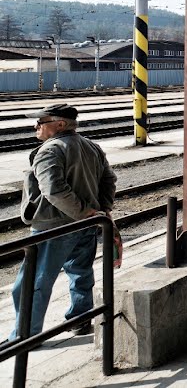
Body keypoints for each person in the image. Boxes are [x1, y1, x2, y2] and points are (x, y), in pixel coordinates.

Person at [8, 104, 117, 341]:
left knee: (32, 282)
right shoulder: (91, 146)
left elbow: (54, 190)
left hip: (54, 226)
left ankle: (23, 336)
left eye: (41, 121)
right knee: (80, 274)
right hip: (87, 225)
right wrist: (100, 210)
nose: (36, 126)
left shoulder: (50, 151)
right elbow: (109, 179)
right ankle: (80, 320)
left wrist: (82, 212)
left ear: (60, 124)